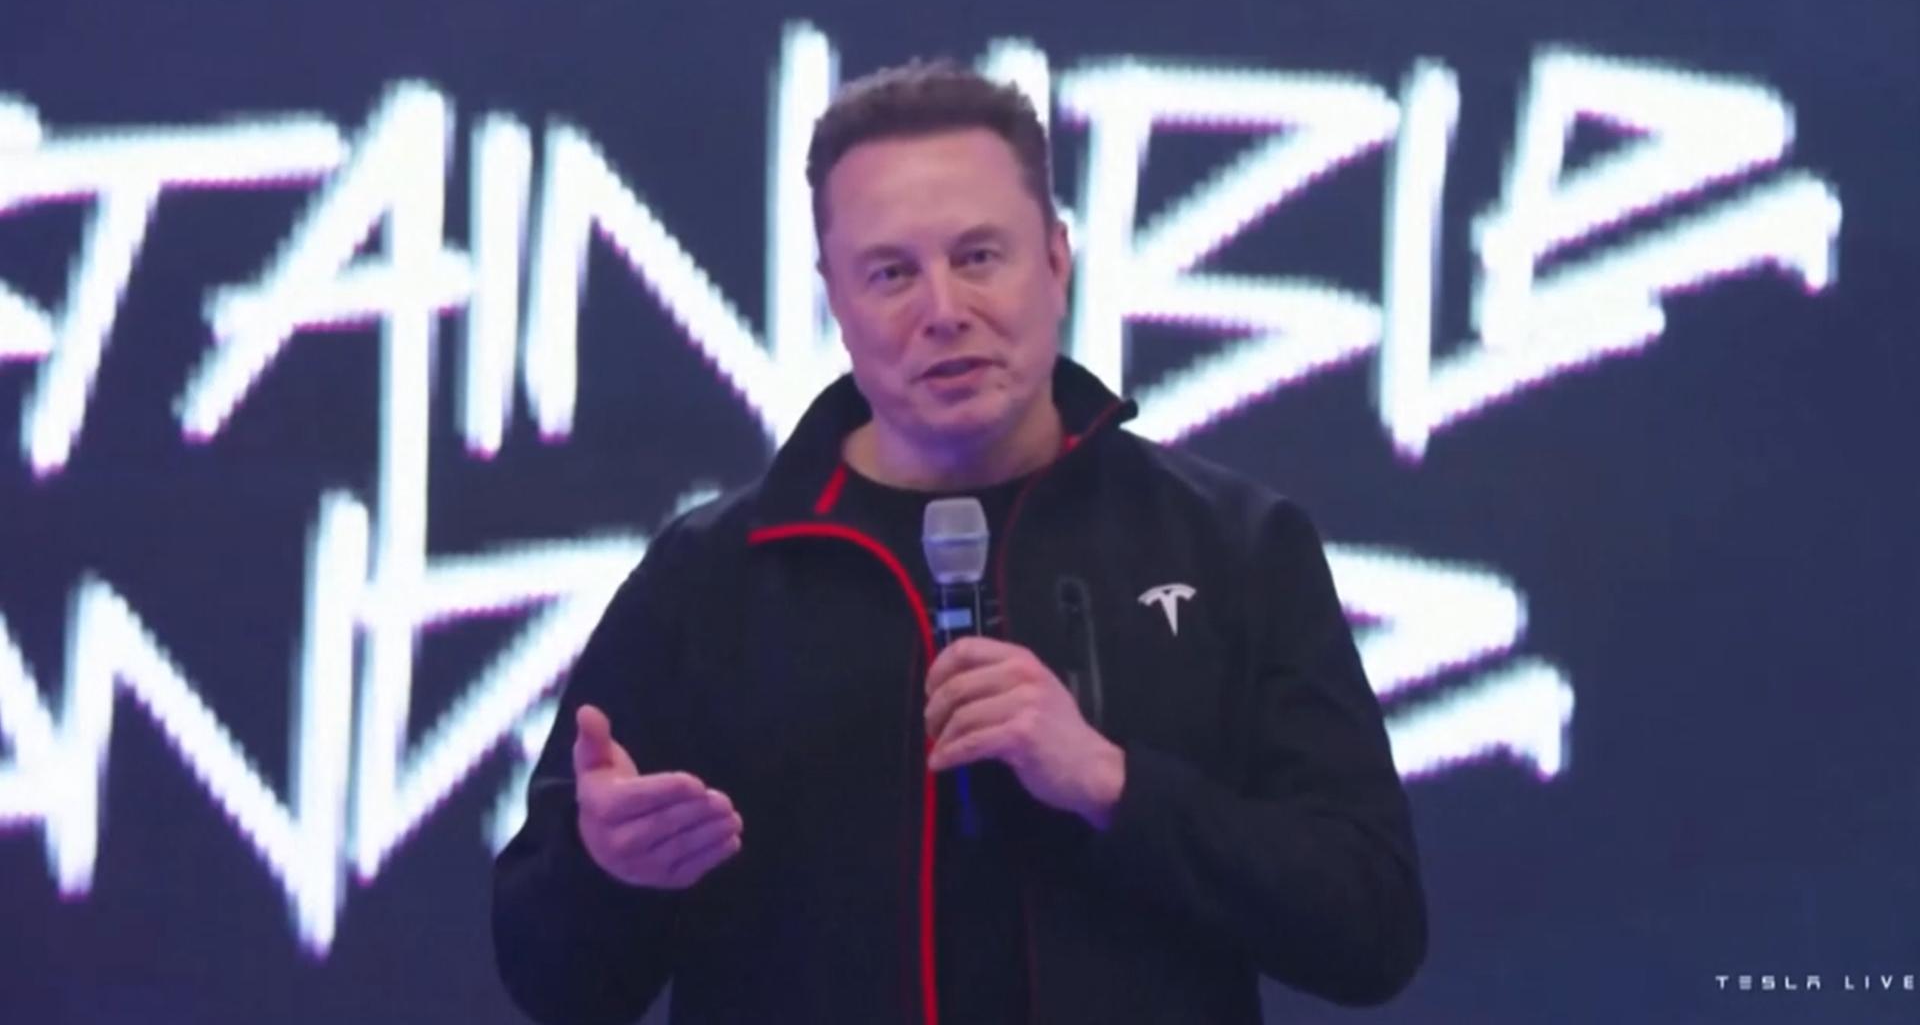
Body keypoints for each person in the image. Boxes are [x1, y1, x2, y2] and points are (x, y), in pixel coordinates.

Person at [492, 60, 1426, 1025]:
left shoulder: (1230, 547)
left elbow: (1372, 928)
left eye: (979, 256)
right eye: (891, 273)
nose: (943, 310)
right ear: (834, 299)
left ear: (1056, 262)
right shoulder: (714, 580)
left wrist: (1111, 784)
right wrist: (604, 871)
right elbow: (551, 985)